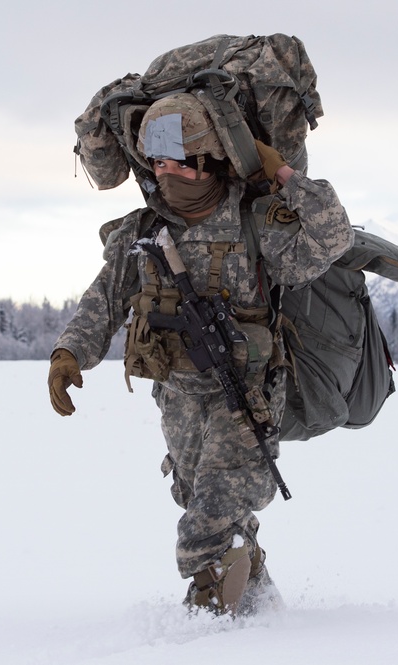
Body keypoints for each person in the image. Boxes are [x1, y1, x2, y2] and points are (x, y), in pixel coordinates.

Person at [47, 92, 354, 615]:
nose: (166, 174)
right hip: (178, 393)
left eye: (178, 162)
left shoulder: (256, 223)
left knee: (212, 513)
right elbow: (106, 297)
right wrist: (69, 353)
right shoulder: (145, 230)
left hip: (247, 392)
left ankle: (206, 620)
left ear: (209, 160)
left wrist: (282, 175)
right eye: (157, 163)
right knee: (199, 499)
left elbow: (333, 237)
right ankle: (257, 600)